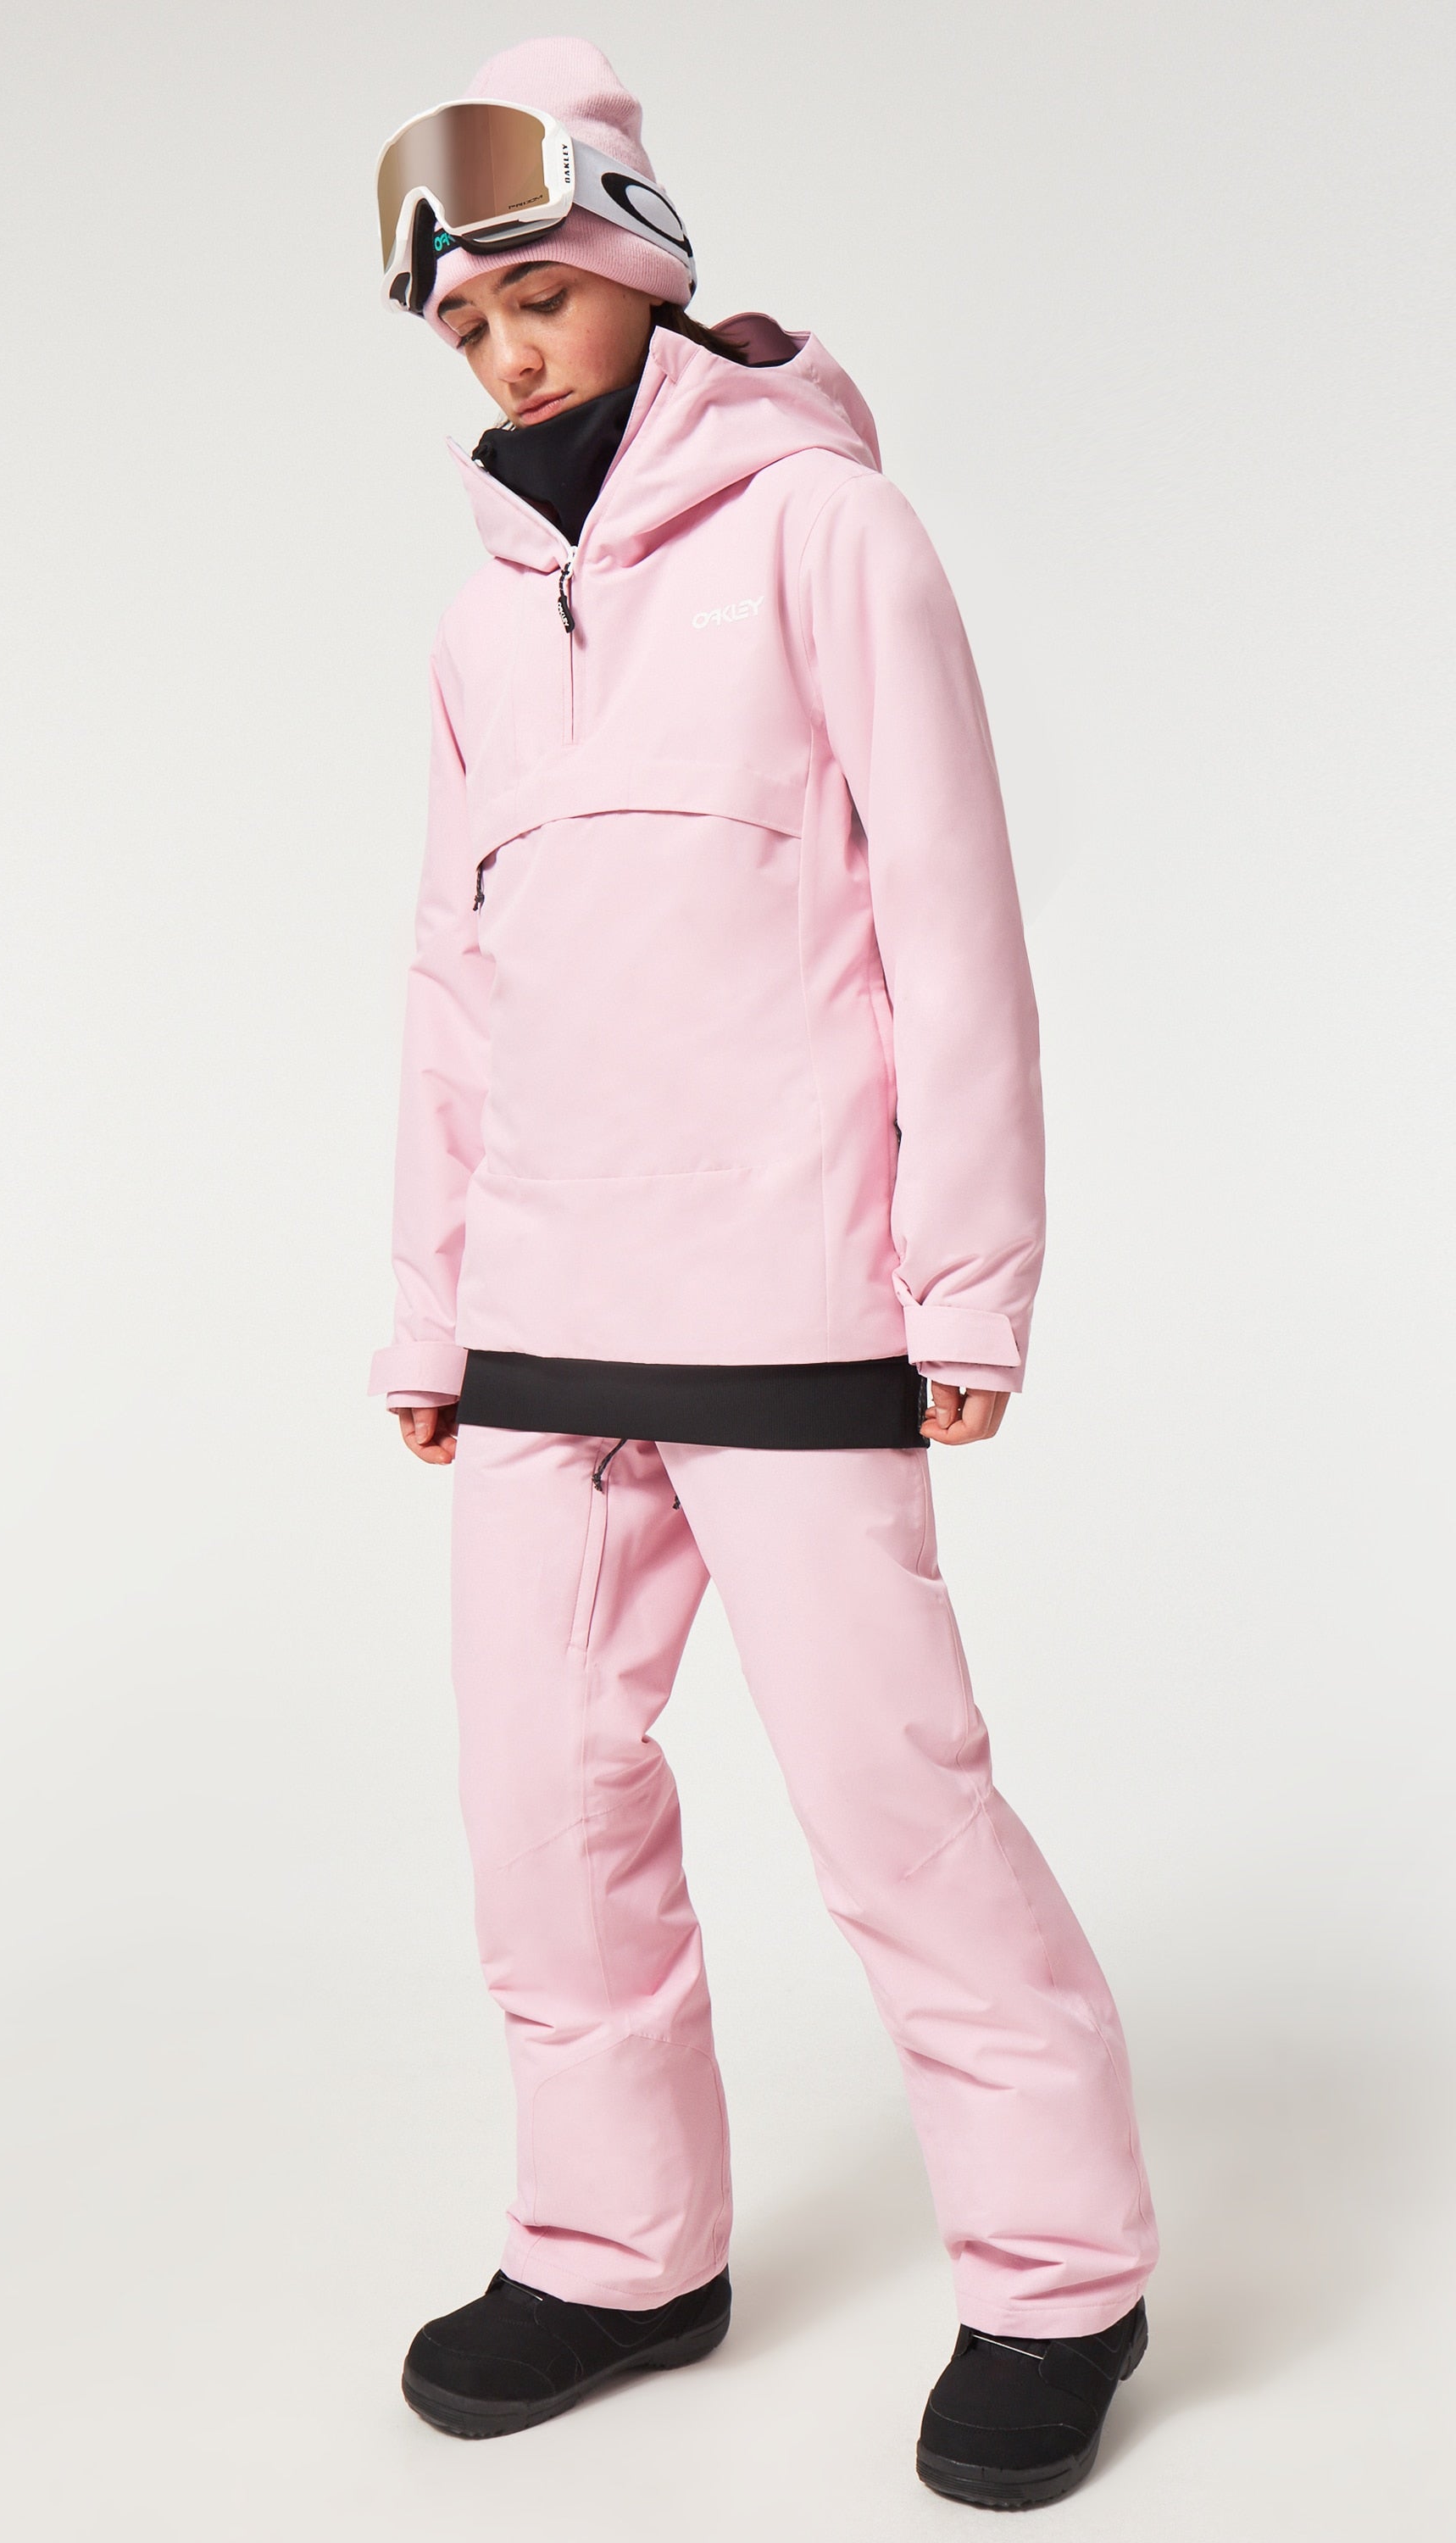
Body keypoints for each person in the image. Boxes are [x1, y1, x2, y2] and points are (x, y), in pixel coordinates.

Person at [366, 37, 1159, 2511]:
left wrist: (969, 1277)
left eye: (531, 295)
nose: (503, 352)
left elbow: (955, 916)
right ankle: (619, 2253)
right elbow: (453, 977)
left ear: (632, 260)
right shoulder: (484, 624)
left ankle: (1063, 2282)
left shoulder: (832, 534)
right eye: (461, 327)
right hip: (541, 1315)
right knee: (538, 1811)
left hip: (797, 1304)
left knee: (893, 1811)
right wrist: (426, 1303)